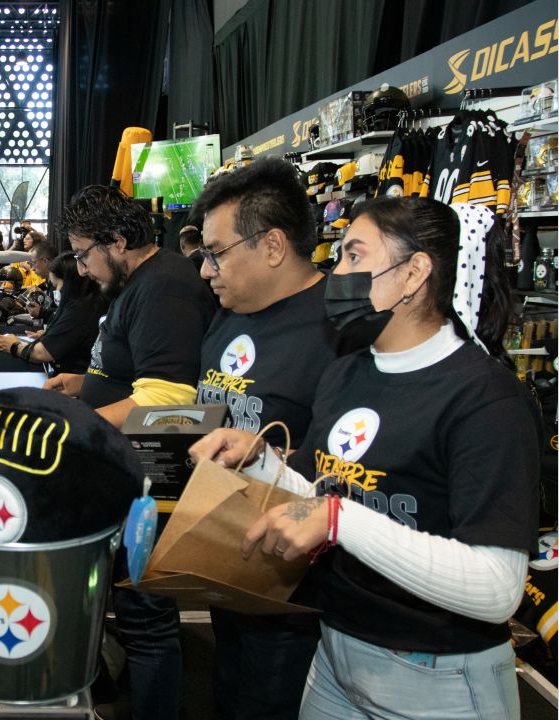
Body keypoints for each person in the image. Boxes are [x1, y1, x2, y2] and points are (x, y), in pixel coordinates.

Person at [190, 197, 538, 719]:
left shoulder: (486, 400)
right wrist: (261, 462)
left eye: (354, 256)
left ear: (415, 272)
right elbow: (323, 497)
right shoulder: (346, 372)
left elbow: (496, 589)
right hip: (336, 656)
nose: (337, 274)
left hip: (439, 678)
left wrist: (338, 520)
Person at [44, 185, 214, 720]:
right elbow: (129, 372)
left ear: (117, 241)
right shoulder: (140, 283)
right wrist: (82, 381)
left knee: (147, 622)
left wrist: (77, 427)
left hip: (150, 484)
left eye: (83, 254)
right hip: (128, 475)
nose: (82, 268)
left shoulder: (163, 288)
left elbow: (168, 399)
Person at [188, 159, 338, 720]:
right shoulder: (229, 312)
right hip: (228, 569)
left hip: (298, 596)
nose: (206, 271)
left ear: (273, 245)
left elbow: (358, 472)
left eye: (216, 252)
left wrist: (270, 457)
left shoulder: (339, 331)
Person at [0, 251, 106, 374]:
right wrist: (50, 336)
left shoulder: (79, 311)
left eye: (56, 285)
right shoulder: (87, 303)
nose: (56, 290)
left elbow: (42, 354)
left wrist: (14, 346)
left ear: (69, 283)